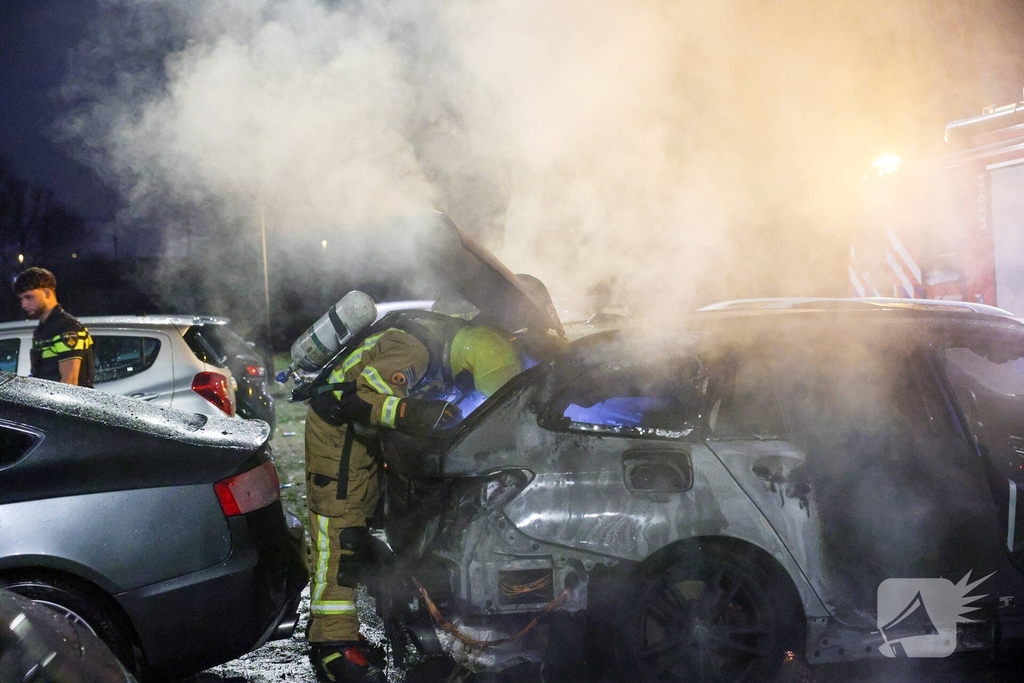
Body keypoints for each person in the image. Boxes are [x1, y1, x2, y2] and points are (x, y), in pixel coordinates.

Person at [303, 313, 522, 683]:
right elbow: (361, 399)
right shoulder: (414, 350)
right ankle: (334, 649)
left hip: (356, 438)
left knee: (352, 531)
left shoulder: (432, 343)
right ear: (467, 365)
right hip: (337, 438)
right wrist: (415, 412)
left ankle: (335, 632)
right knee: (339, 536)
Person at [12, 267, 94, 387]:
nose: (23, 304)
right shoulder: (42, 330)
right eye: (21, 299)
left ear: (47, 293)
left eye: (29, 297)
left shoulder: (67, 328)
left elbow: (70, 382)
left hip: (66, 399)